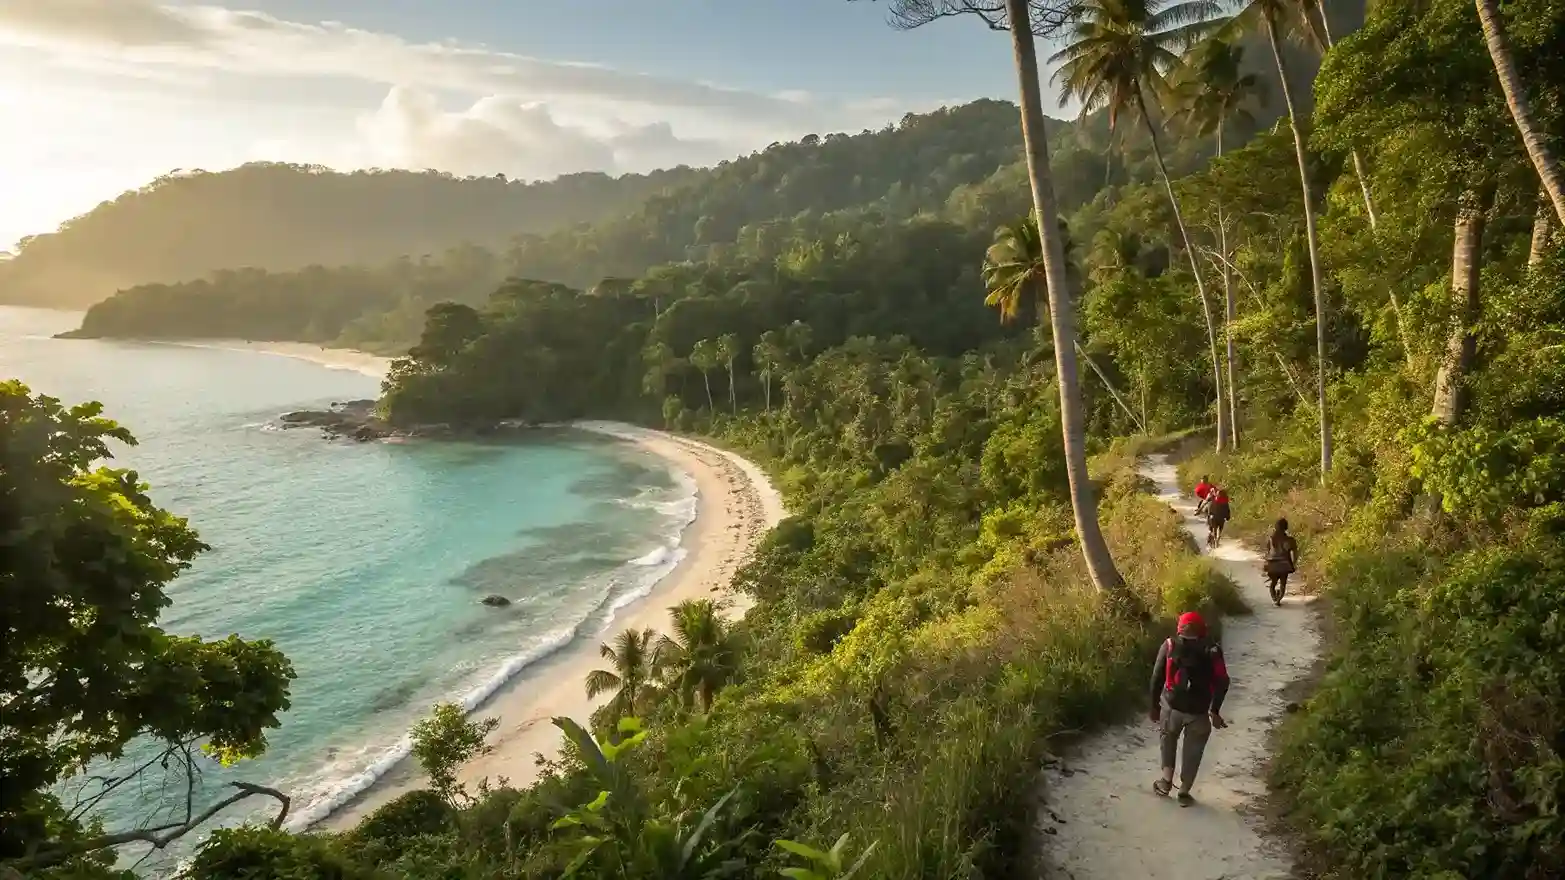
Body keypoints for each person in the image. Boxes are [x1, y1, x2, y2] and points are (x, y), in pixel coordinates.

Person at [1149, 611, 1230, 806]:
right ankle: (1184, 792)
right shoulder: (1213, 650)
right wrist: (1215, 710)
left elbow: (1157, 677)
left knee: (1167, 740)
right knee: (1194, 750)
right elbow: (1222, 680)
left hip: (1172, 707)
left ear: (1180, 627)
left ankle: (1166, 782)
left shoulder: (1169, 645)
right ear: (1202, 629)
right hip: (1199, 711)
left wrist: (1153, 706)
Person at [1264, 518, 1299, 606]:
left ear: (1276, 527)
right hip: (1284, 565)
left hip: (1272, 565)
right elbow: (1295, 553)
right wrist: (1294, 563)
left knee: (1273, 583)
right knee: (1283, 584)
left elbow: (1268, 552)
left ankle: (1274, 598)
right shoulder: (1290, 540)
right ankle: (1278, 600)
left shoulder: (1271, 539)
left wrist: (1266, 563)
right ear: (1286, 528)